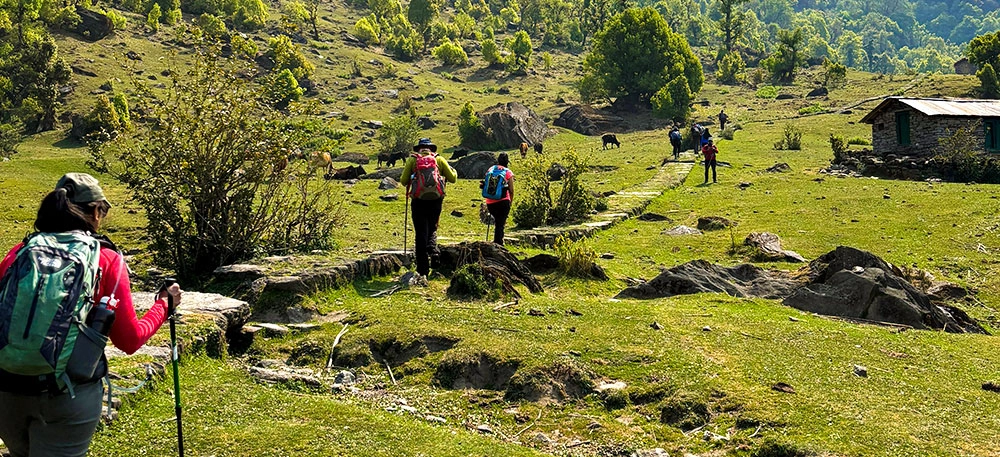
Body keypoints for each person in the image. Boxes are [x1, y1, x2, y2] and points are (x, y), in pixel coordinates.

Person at [0, 172, 182, 457]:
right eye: (104, 211)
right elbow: (129, 340)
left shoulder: (19, 252)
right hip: (69, 395)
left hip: (7, 391)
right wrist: (164, 305)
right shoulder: (106, 259)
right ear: (96, 211)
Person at [400, 138, 457, 277]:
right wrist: (453, 170)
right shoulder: (439, 159)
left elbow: (403, 181)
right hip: (436, 200)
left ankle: (422, 270)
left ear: (419, 148)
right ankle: (434, 252)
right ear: (431, 148)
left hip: (418, 200)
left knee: (420, 232)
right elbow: (453, 178)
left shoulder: (413, 160)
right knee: (432, 227)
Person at [482, 153, 515, 245]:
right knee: (500, 224)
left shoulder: (491, 169)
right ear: (507, 162)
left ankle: (498, 241)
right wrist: (510, 202)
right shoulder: (508, 172)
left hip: (490, 202)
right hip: (503, 201)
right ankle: (499, 243)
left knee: (498, 221)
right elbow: (511, 190)